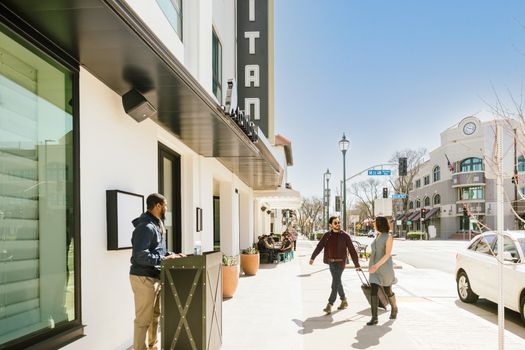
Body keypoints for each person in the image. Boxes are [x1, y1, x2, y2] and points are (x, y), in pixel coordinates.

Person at [129, 193, 185, 350]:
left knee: (154, 317)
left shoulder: (156, 224)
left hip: (154, 276)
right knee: (143, 320)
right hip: (143, 278)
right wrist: (163, 259)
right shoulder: (145, 227)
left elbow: (159, 251)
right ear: (158, 206)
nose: (166, 209)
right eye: (165, 205)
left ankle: (153, 347)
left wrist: (171, 255)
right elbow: (140, 255)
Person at [309, 216, 361, 314]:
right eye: (335, 223)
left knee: (334, 283)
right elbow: (319, 246)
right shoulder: (327, 235)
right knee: (337, 282)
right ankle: (344, 300)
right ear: (330, 225)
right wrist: (313, 257)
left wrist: (357, 264)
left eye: (338, 222)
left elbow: (352, 250)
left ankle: (330, 304)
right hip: (331, 262)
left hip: (341, 262)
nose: (338, 224)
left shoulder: (345, 235)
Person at [366, 216, 398, 326]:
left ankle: (394, 308)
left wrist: (377, 265)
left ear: (380, 224)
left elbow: (387, 254)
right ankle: (374, 317)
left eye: (375, 223)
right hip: (374, 268)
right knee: (373, 290)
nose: (373, 225)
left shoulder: (388, 237)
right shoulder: (378, 235)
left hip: (384, 268)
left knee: (387, 290)